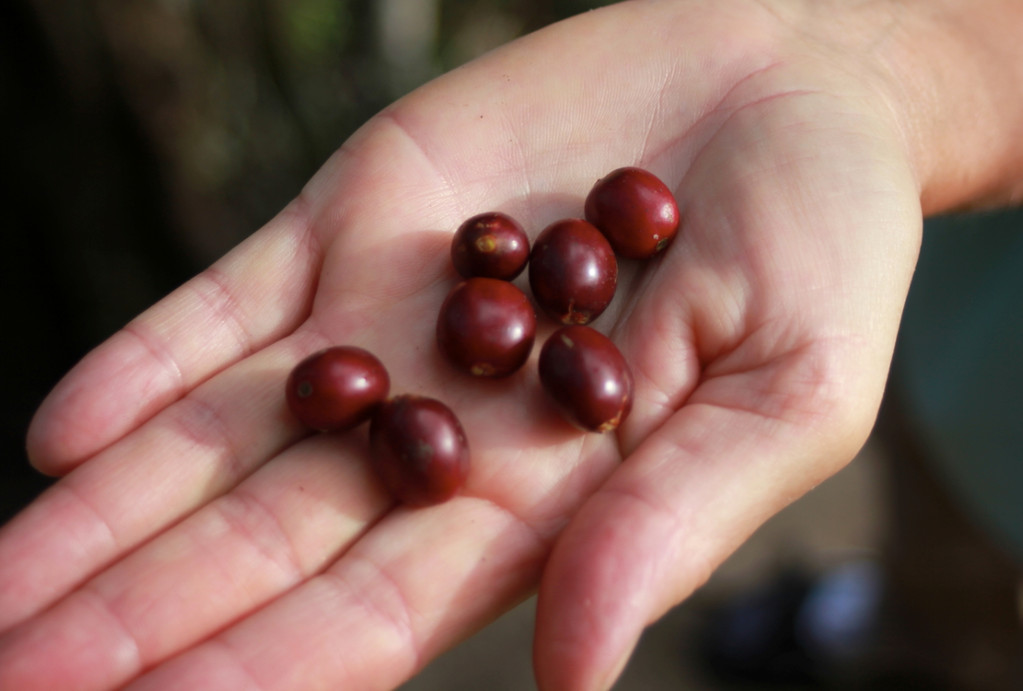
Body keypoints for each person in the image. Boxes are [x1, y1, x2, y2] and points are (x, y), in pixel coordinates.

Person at [0, 0, 1020, 689]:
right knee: (935, 555)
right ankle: (886, 625)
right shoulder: (525, 299)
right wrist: (878, 69)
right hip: (965, 366)